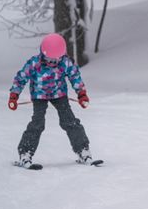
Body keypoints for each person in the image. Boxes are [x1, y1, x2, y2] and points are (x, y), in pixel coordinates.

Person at [9, 33, 96, 168]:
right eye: (50, 59)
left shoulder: (65, 62)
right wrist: (14, 95)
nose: (53, 63)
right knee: (37, 123)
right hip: (39, 96)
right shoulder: (34, 63)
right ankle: (25, 154)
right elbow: (21, 78)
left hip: (59, 94)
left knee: (70, 121)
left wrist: (81, 94)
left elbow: (75, 77)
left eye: (56, 59)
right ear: (43, 53)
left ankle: (83, 150)